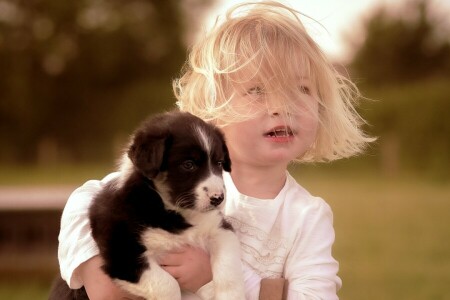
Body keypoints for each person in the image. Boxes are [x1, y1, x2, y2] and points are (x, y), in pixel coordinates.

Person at [57, 1, 374, 299]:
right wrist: (91, 264)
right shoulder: (185, 180)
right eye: (257, 90)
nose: (283, 106)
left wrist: (214, 276)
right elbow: (86, 199)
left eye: (302, 89)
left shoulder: (307, 217)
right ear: (214, 109)